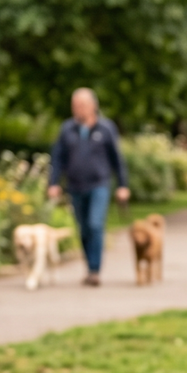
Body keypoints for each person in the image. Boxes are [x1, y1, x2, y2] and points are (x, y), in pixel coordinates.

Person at [48, 88, 129, 287]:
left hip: (99, 184)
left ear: (93, 106)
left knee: (95, 224)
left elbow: (117, 159)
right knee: (83, 229)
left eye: (81, 105)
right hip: (75, 186)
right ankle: (89, 266)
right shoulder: (67, 129)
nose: (78, 109)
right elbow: (58, 158)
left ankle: (94, 270)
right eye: (75, 106)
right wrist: (53, 183)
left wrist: (122, 185)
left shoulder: (106, 128)